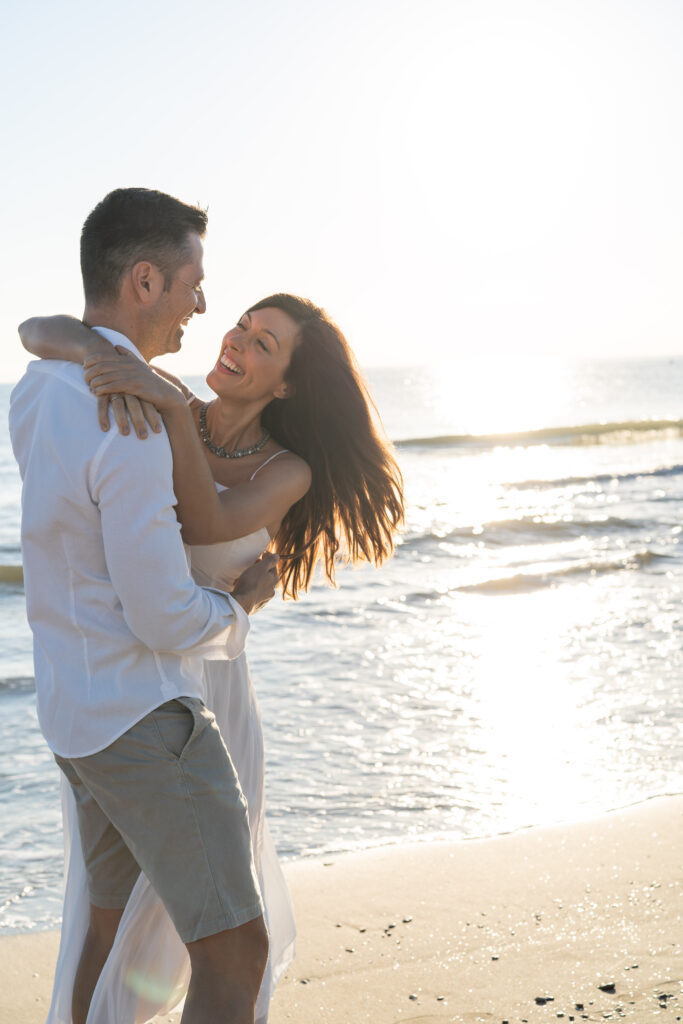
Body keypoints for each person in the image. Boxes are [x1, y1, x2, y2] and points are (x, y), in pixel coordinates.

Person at [20, 291, 405, 1023]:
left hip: (212, 695)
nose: (236, 341)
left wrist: (166, 404)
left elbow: (207, 521)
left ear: (288, 383)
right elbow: (33, 329)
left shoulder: (282, 469)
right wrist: (99, 353)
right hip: (129, 684)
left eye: (264, 344)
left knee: (218, 919)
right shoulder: (161, 403)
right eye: (243, 325)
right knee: (106, 907)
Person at [10, 187, 281, 1024]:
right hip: (144, 720)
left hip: (73, 719)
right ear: (143, 282)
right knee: (235, 950)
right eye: (192, 282)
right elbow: (161, 614)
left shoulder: (38, 386)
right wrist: (234, 612)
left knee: (104, 939)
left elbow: (39, 330)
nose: (204, 303)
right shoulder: (126, 416)